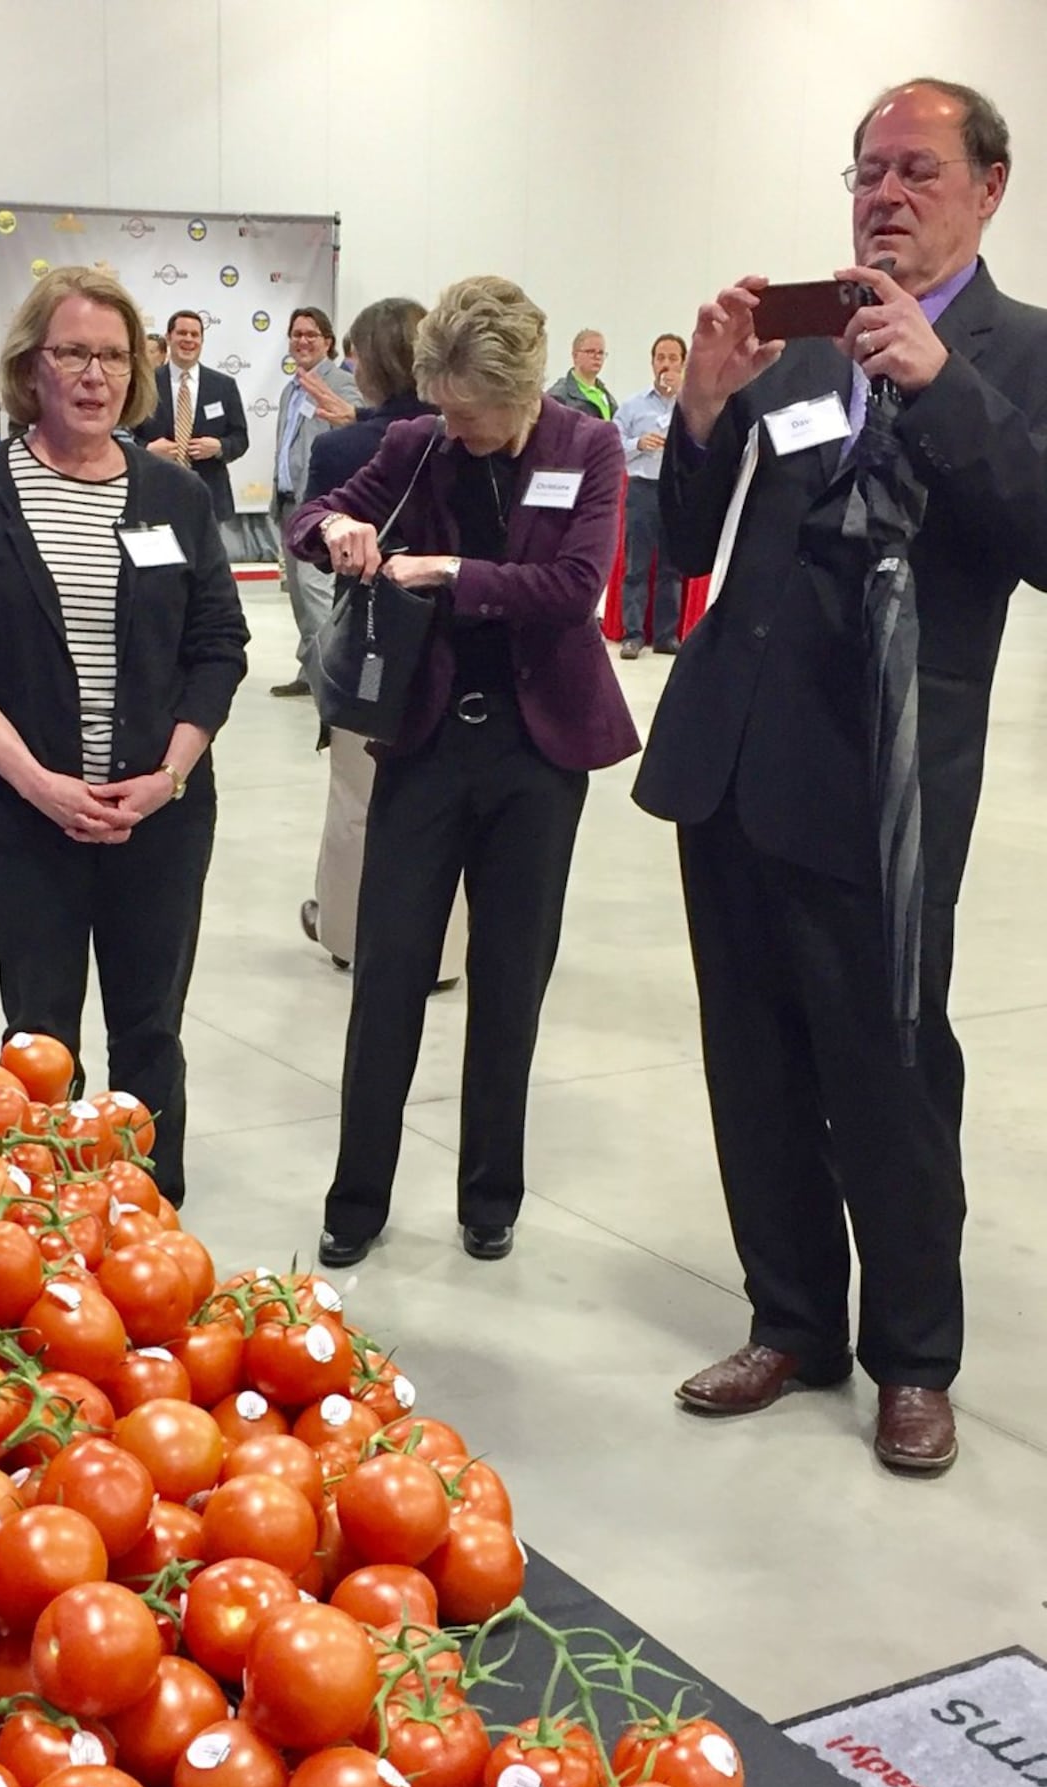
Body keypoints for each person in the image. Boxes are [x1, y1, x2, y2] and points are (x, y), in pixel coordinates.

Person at [633, 77, 1047, 1477]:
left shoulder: (1021, 352)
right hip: (737, 759)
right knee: (751, 1066)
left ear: (990, 187)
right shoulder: (806, 350)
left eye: (917, 169)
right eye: (867, 170)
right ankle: (794, 1317)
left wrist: (947, 386)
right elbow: (689, 537)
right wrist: (699, 405)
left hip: (887, 785)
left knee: (891, 1072)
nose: (884, 193)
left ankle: (914, 1358)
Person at [288, 275, 638, 1267]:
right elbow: (309, 516)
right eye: (442, 406)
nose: (456, 427)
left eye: (472, 412)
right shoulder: (417, 444)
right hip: (427, 743)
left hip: (538, 752)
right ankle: (356, 1199)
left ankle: (491, 1195)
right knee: (389, 971)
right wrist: (337, 532)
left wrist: (445, 573)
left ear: (525, 392)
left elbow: (573, 591)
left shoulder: (589, 446)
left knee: (509, 979)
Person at [0, 264, 249, 1205]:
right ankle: (45, 1223)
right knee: (40, 1032)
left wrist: (169, 777)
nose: (95, 374)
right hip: (22, 818)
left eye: (112, 355)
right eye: (73, 353)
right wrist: (41, 785)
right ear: (31, 364)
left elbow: (219, 646)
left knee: (150, 1028)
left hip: (160, 820)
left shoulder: (174, 496)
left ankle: (147, 1215)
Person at [295, 295, 468, 986]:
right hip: (456, 634)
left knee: (357, 794)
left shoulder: (342, 447)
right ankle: (447, 951)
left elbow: (309, 548)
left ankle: (346, 930)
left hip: (372, 644)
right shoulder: (464, 435)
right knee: (452, 803)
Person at [269, 306, 360, 697]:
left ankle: (332, 675)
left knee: (316, 590)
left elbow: (357, 430)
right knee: (300, 596)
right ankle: (311, 671)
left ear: (327, 342)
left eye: (311, 334)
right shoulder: (292, 388)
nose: (302, 341)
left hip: (322, 506)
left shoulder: (339, 383)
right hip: (290, 505)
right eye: (296, 334)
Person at [134, 310, 249, 525]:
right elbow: (125, 437)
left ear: (202, 341)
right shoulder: (146, 383)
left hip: (210, 501)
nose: (188, 339)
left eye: (195, 335)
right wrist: (147, 450)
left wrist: (219, 447)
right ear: (169, 338)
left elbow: (240, 439)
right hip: (156, 499)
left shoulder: (223, 386)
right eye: (182, 333)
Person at [613, 333, 688, 659]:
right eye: (660, 357)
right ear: (652, 362)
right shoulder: (632, 406)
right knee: (637, 566)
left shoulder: (692, 405)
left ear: (684, 363)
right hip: (642, 490)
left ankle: (666, 636)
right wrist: (637, 444)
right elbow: (613, 447)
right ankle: (632, 635)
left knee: (672, 567)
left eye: (673, 358)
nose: (666, 364)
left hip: (677, 491)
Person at [547, 330, 617, 420]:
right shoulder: (558, 396)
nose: (597, 357)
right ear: (575, 355)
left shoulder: (605, 395)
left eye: (601, 353)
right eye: (591, 352)